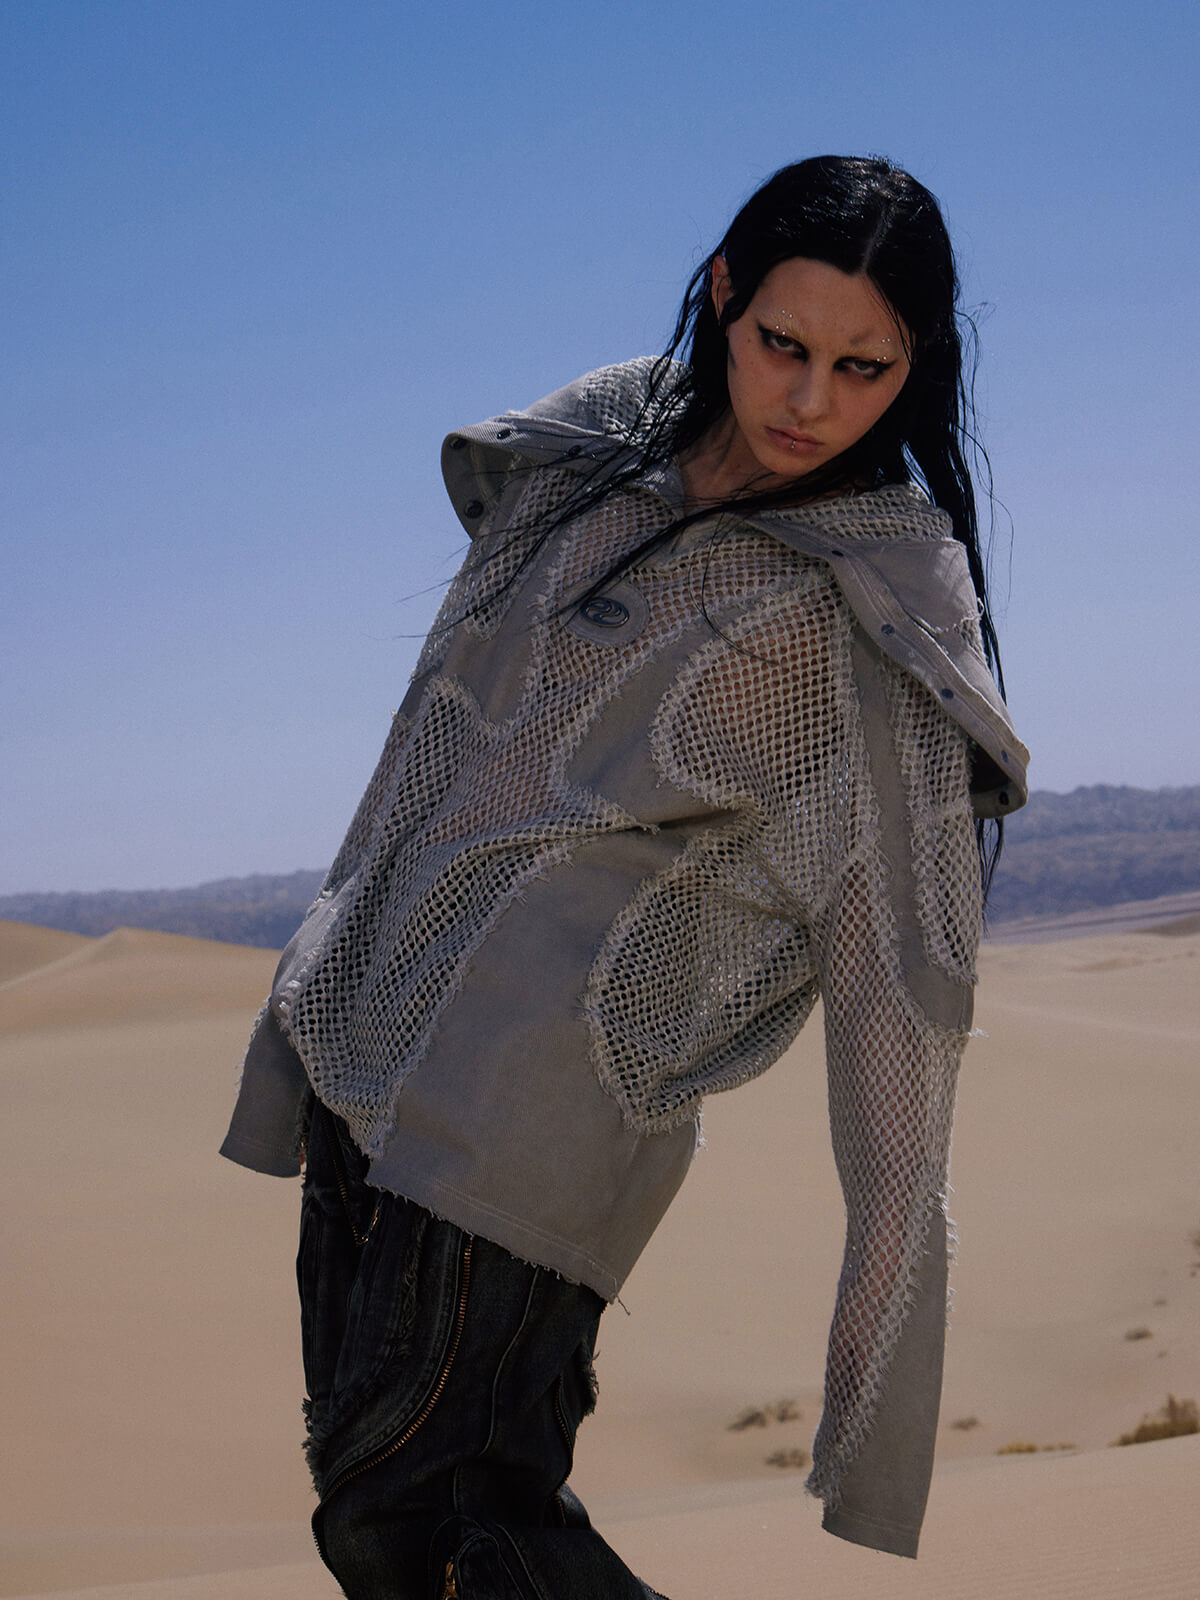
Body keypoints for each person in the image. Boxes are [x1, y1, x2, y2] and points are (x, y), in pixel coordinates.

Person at [221, 154, 1029, 1598]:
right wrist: (300, 1007)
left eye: (863, 368)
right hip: (362, 1055)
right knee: (379, 1527)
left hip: (535, 1122)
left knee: (435, 1529)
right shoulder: (595, 447)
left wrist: (876, 1369)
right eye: (783, 344)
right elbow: (429, 742)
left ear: (918, 368)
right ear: (722, 294)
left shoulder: (874, 609)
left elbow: (904, 1003)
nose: (809, 400)